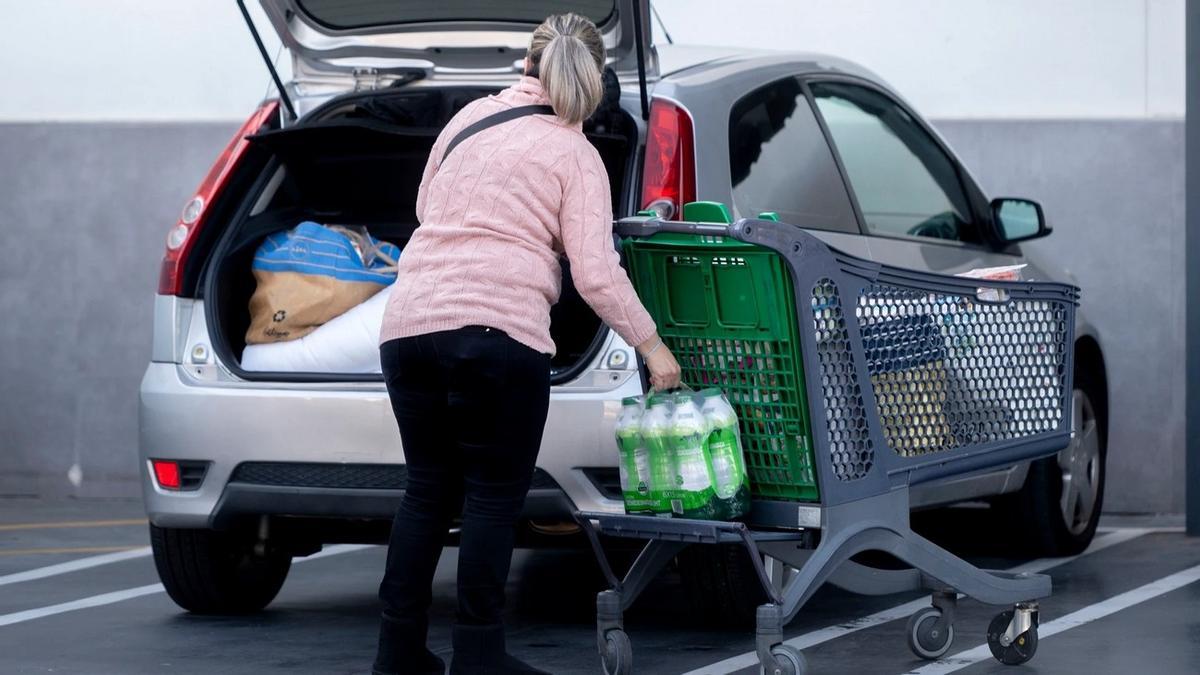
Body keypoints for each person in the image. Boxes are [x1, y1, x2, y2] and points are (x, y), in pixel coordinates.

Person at [372, 12, 682, 675]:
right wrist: (655, 349)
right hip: (496, 337)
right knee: (490, 496)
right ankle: (479, 656)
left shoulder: (465, 121)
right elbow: (595, 274)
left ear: (525, 64)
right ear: (594, 80)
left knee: (426, 492)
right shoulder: (576, 153)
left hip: (407, 329)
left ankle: (396, 654)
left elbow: (428, 210)